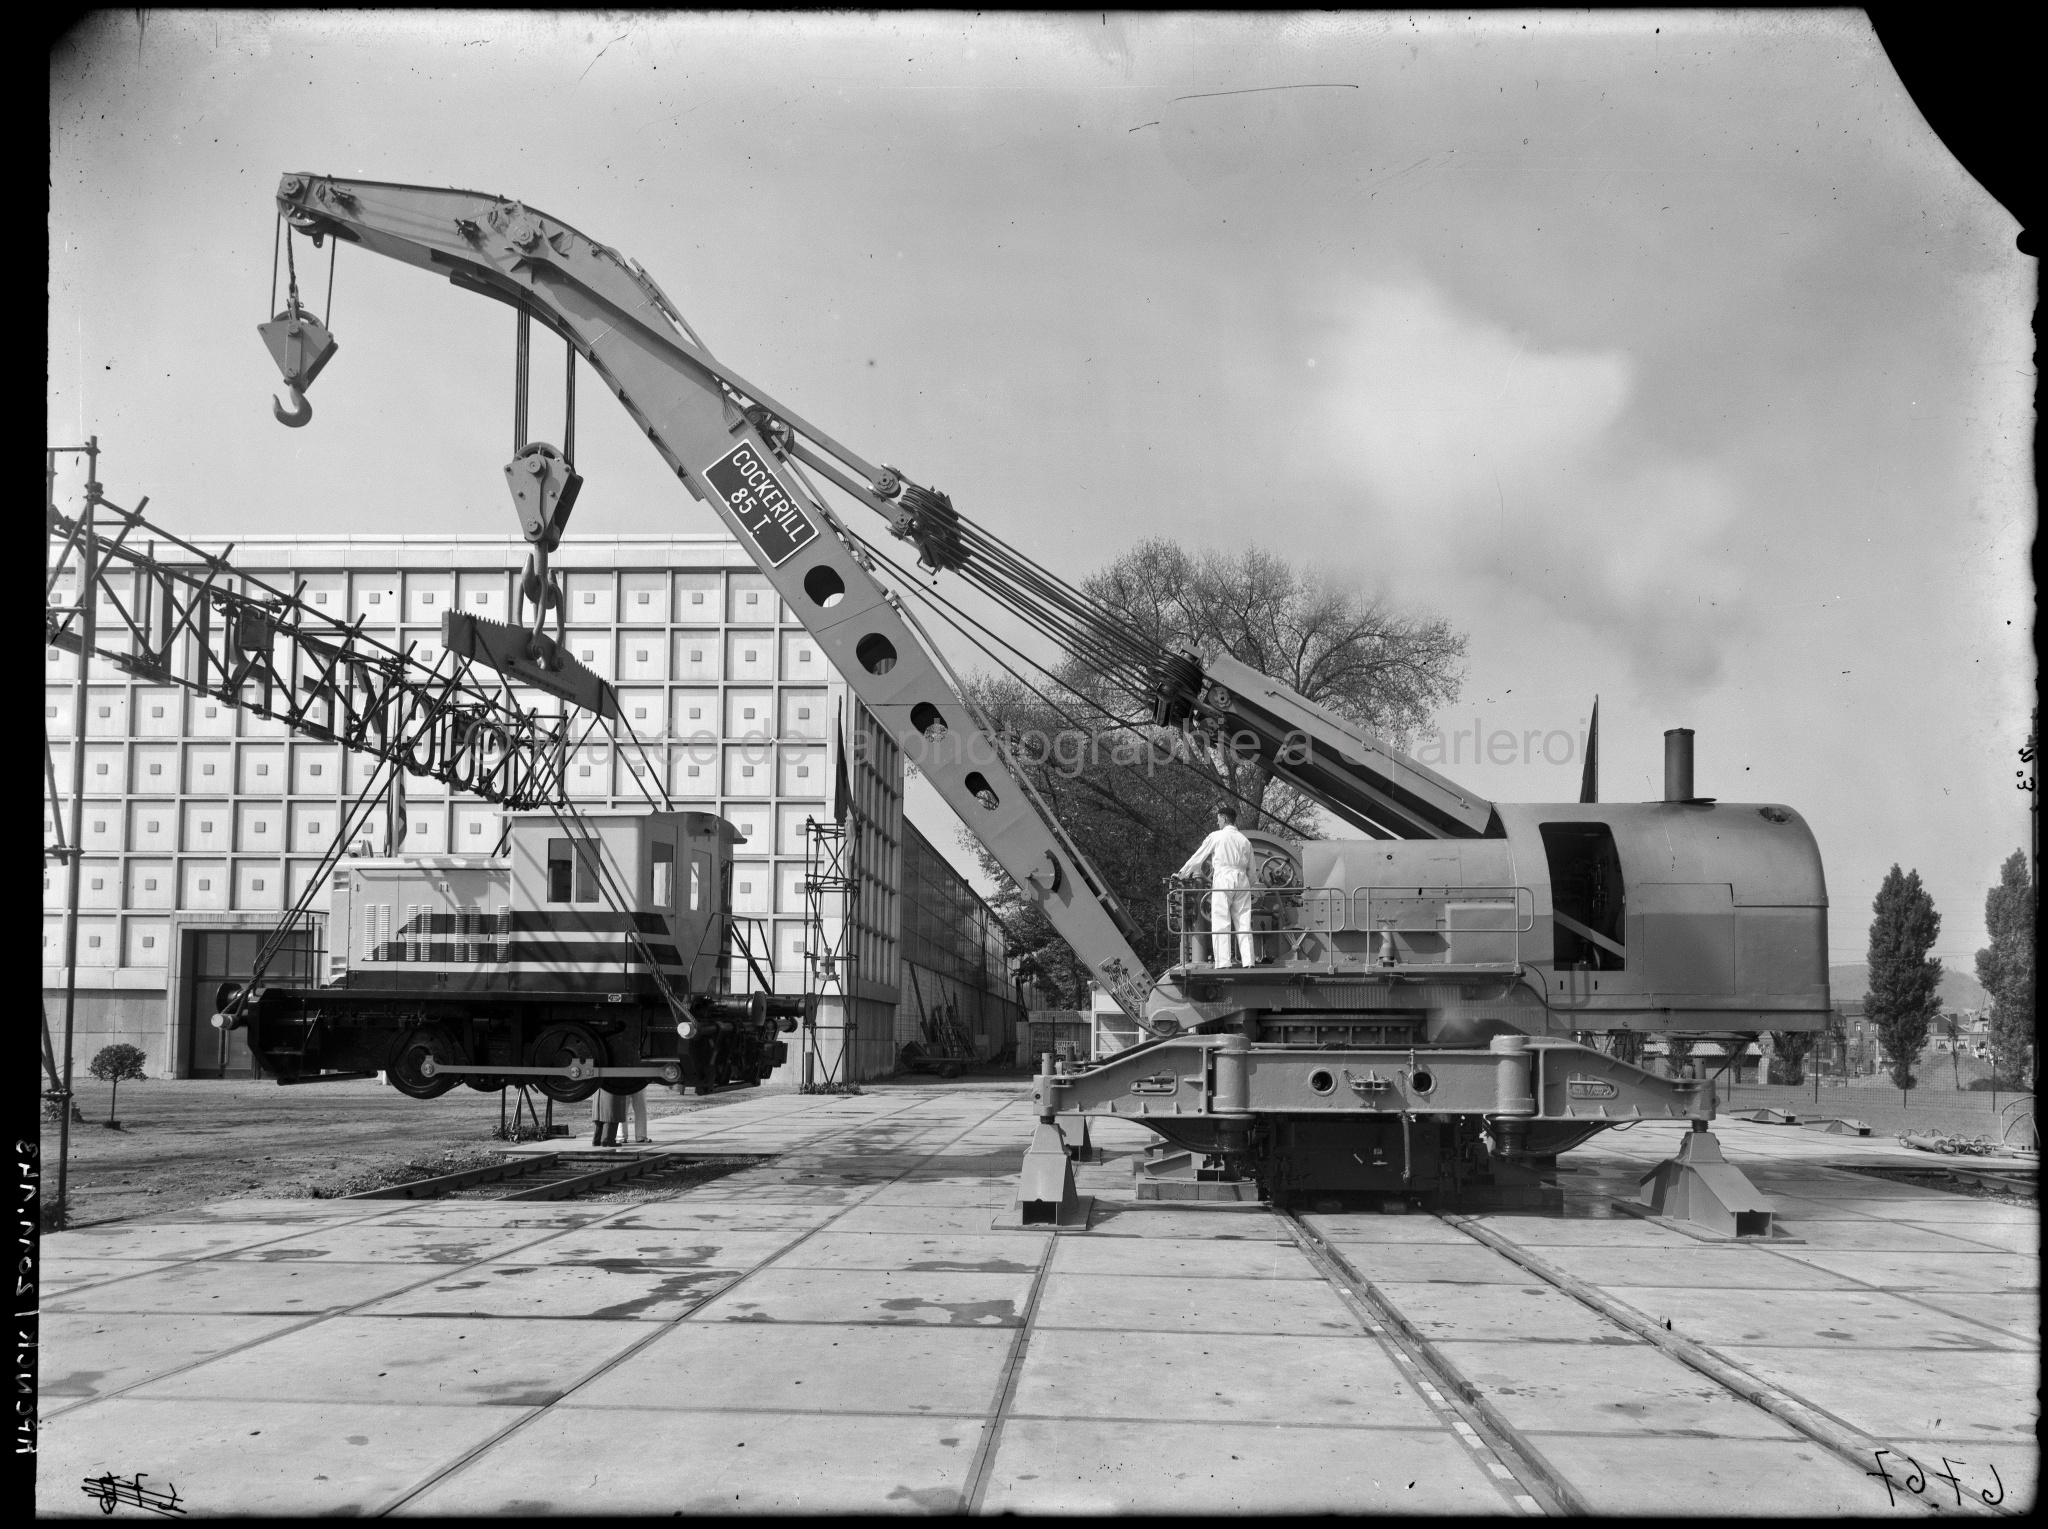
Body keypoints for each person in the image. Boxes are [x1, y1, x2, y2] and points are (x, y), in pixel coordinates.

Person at [1175, 804, 1257, 967]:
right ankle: (1249, 961)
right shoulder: (1245, 841)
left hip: (1224, 877)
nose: (1217, 823)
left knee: (1221, 920)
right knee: (1244, 921)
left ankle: (1223, 962)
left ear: (1225, 819)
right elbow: (1252, 871)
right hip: (1242, 880)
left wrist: (1182, 874)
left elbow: (1198, 857)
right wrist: (1249, 884)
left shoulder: (1216, 837)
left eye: (1218, 819)